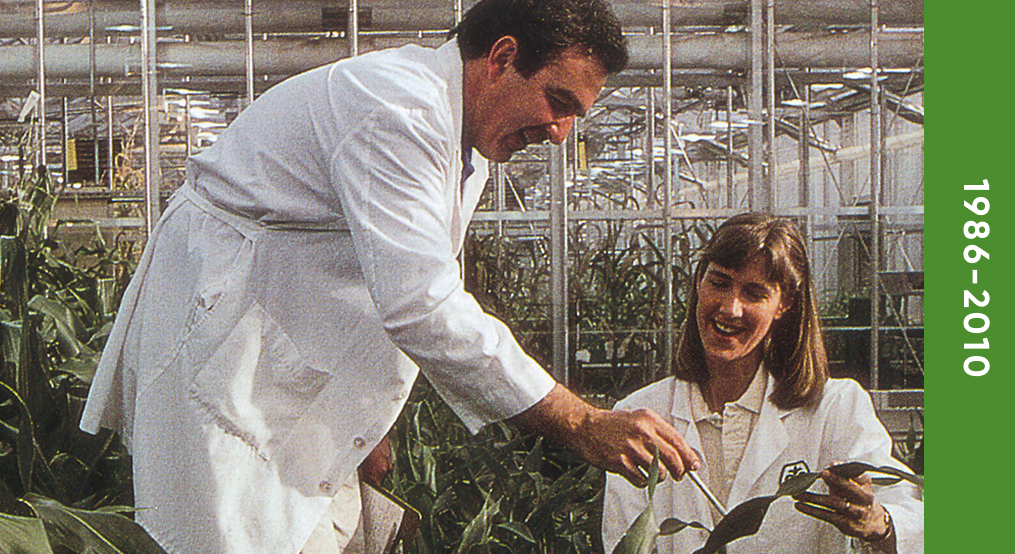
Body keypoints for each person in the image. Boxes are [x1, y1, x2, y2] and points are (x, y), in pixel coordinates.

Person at [80, 1, 700, 553]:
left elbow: (383, 277)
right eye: (558, 103)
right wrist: (579, 422)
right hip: (226, 345)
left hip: (275, 347)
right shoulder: (397, 110)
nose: (561, 133)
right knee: (232, 530)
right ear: (501, 58)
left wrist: (365, 426)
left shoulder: (462, 135)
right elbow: (421, 305)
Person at [603, 213, 923, 554]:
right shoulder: (641, 416)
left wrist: (879, 524)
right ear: (698, 282)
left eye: (754, 294)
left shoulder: (835, 409)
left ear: (784, 304)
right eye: (719, 283)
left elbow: (918, 519)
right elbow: (624, 542)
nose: (731, 308)